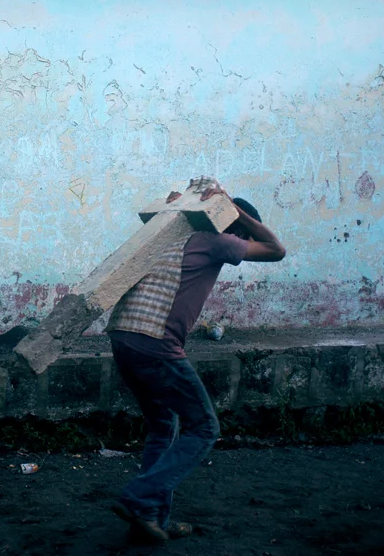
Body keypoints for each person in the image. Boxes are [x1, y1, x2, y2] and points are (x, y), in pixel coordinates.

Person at [107, 178, 286, 544]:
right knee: (204, 428)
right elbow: (276, 249)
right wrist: (238, 213)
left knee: (163, 426)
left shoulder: (170, 237)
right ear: (233, 226)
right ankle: (141, 497)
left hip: (122, 337)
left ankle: (151, 519)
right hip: (155, 345)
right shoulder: (218, 241)